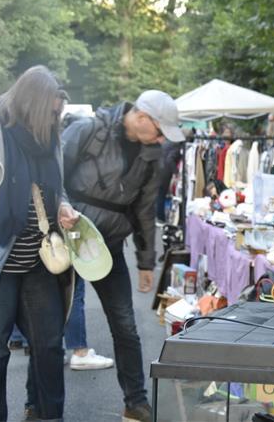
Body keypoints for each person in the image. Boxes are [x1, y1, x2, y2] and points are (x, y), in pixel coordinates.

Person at [58, 89, 185, 421]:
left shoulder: (151, 154)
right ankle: (38, 405)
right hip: (66, 239)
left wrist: (146, 262)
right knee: (47, 329)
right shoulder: (88, 129)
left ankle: (135, 402)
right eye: (159, 131)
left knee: (126, 327)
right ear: (142, 117)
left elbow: (144, 210)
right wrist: (60, 207)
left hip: (110, 246)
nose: (161, 140)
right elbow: (51, 173)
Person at [0, 65, 80, 421]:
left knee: (48, 345)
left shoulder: (48, 135)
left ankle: (49, 416)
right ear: (32, 105)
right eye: (50, 112)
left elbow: (55, 185)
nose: (54, 119)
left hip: (38, 260)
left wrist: (62, 205)